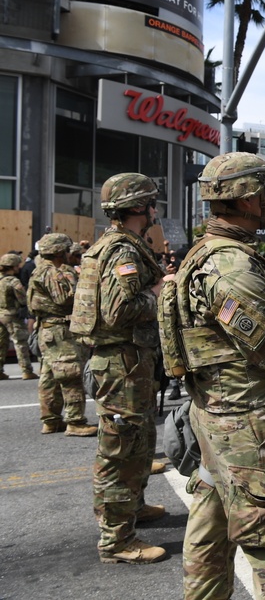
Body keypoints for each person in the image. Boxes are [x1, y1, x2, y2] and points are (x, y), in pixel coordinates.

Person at [168, 153, 265, 598]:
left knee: (210, 524)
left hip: (216, 410)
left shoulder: (207, 253)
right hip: (245, 420)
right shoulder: (230, 265)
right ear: (248, 198)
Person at [70, 173, 167, 565]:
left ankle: (134, 507)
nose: (155, 211)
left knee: (137, 440)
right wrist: (160, 294)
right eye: (151, 204)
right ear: (139, 207)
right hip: (121, 362)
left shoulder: (116, 245)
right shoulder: (122, 251)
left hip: (129, 362)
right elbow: (119, 310)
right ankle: (116, 541)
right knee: (119, 450)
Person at [27, 233, 95, 436]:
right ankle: (75, 421)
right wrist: (81, 284)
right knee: (70, 375)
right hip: (59, 332)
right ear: (58, 252)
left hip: (49, 331)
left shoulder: (40, 270)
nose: (68, 254)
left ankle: (51, 420)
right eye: (66, 251)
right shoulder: (52, 273)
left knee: (49, 377)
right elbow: (64, 299)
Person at [0, 253, 37, 380]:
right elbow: (22, 299)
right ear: (13, 266)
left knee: (1, 343)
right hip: (12, 315)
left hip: (0, 314)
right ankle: (27, 370)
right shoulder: (13, 281)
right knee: (21, 343)